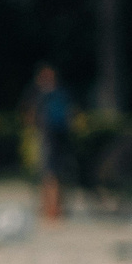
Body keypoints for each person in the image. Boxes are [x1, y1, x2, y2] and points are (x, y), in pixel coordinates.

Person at [25, 65, 75, 223]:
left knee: (48, 174)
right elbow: (71, 115)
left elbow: (30, 117)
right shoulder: (62, 93)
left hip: (47, 138)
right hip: (62, 137)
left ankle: (50, 209)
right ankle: (56, 208)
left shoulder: (41, 95)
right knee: (58, 174)